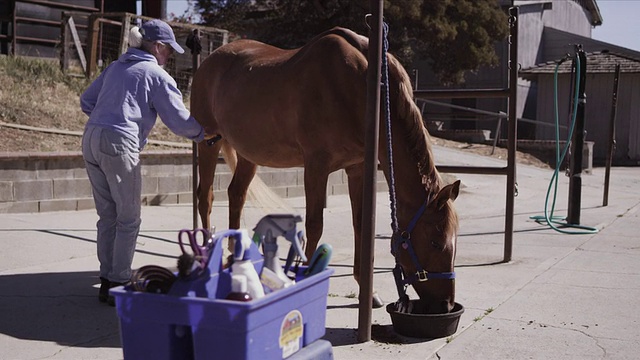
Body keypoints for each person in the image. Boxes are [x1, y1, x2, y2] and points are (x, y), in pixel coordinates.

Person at [80, 19, 211, 306]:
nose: (170, 57)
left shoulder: (116, 67)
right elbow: (177, 120)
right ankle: (119, 282)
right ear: (158, 46)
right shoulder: (155, 73)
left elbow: (86, 101)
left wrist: (112, 112)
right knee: (128, 218)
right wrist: (204, 134)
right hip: (119, 143)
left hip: (91, 138)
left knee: (108, 215)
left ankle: (107, 278)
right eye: (169, 51)